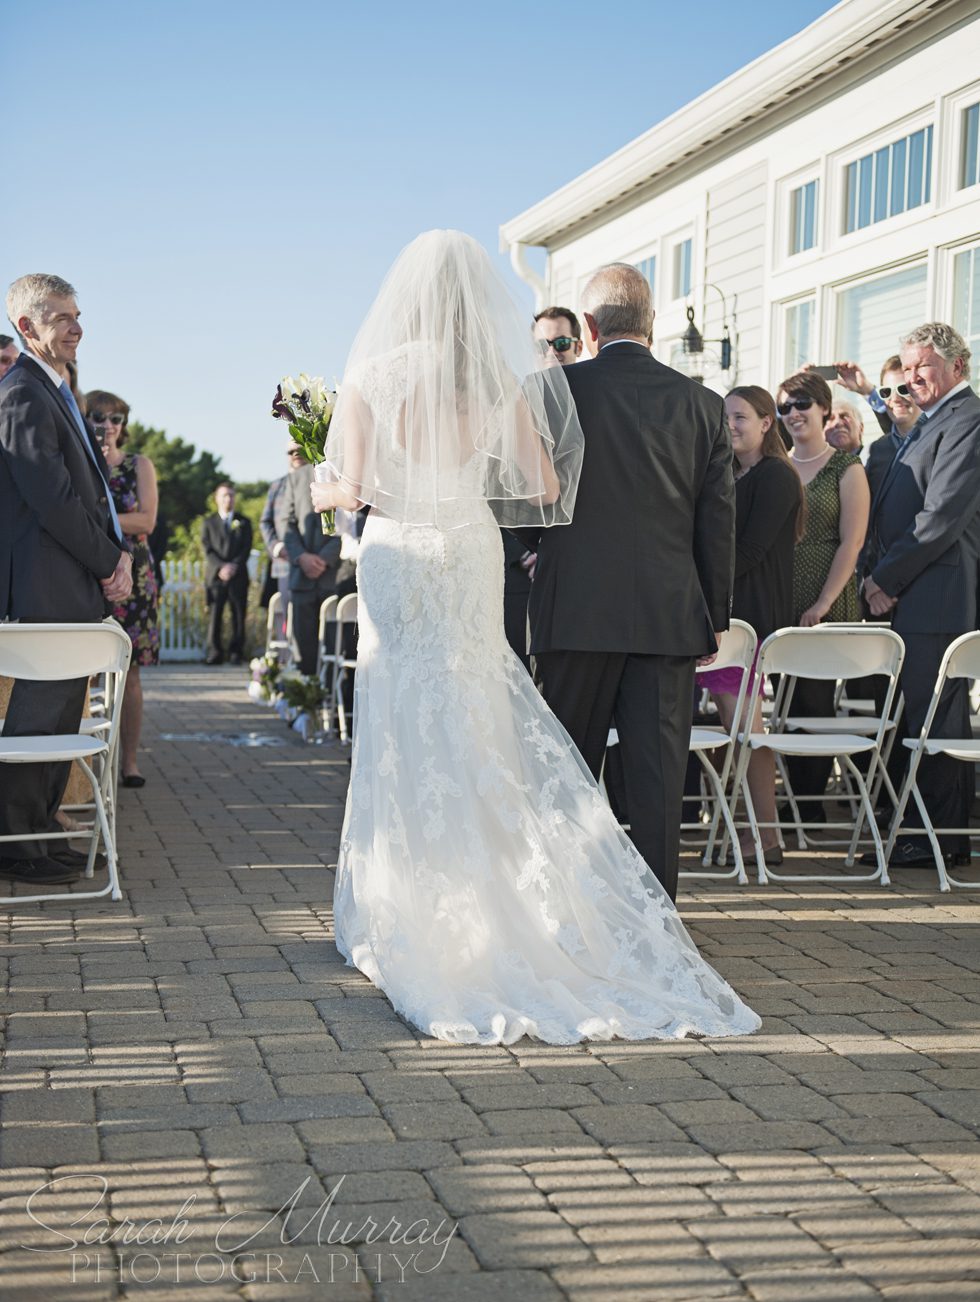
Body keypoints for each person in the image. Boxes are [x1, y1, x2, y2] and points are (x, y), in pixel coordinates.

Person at [309, 230, 758, 1046]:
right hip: (510, 563)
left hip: (429, 561)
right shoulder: (522, 385)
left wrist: (319, 478)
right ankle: (619, 917)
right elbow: (550, 487)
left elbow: (360, 486)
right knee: (497, 721)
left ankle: (420, 904)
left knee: (413, 715)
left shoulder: (387, 376)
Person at [523, 263, 734, 904]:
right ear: (651, 326)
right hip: (668, 616)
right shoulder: (702, 404)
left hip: (575, 610)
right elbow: (716, 517)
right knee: (657, 780)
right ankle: (657, 923)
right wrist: (713, 617)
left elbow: (517, 492)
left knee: (566, 769)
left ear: (588, 327)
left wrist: (538, 552)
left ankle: (565, 912)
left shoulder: (550, 392)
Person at [0, 273, 131, 885]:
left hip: (69, 585)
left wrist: (115, 553)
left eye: (78, 314)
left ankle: (41, 832)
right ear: (26, 327)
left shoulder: (53, 389)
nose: (76, 326)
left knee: (58, 720)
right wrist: (109, 560)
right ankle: (16, 845)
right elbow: (52, 502)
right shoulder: (22, 393)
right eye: (60, 317)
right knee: (36, 722)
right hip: (45, 587)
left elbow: (91, 492)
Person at [862, 322, 980, 868]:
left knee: (938, 722)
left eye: (922, 367)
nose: (911, 379)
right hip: (914, 593)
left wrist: (885, 578)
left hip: (935, 595)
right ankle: (933, 834)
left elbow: (940, 518)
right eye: (905, 368)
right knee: (921, 720)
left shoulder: (968, 419)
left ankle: (940, 839)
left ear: (958, 367)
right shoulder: (931, 420)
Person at [698, 386, 803, 865]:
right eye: (725, 417)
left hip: (750, 622)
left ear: (766, 423)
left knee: (745, 729)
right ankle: (741, 829)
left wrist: (693, 578)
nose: (731, 425)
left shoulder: (776, 476)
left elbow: (750, 552)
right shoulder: (729, 475)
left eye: (740, 417)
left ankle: (766, 835)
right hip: (726, 617)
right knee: (731, 729)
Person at [778, 370, 870, 820]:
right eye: (784, 408)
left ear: (822, 409)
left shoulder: (845, 468)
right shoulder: (777, 463)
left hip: (828, 599)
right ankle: (797, 807)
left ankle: (812, 809)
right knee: (787, 704)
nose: (792, 414)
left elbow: (852, 543)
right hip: (780, 599)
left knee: (816, 701)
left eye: (801, 405)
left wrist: (822, 604)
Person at [88, 389, 160, 788]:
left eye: (116, 419)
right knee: (86, 671)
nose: (108, 426)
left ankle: (128, 763)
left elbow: (147, 521)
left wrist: (97, 519)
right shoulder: (82, 463)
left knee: (129, 673)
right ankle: (86, 766)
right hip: (89, 574)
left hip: (137, 580)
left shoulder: (139, 465)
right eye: (99, 418)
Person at [281, 456, 342, 675]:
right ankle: (306, 697)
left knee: (335, 645)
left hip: (333, 576)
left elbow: (350, 521)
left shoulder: (342, 468)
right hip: (301, 575)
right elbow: (285, 524)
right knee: (303, 645)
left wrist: (325, 559)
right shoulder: (296, 478)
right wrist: (302, 557)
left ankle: (330, 696)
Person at [201, 483, 252, 665]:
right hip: (216, 576)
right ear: (217, 498)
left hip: (238, 576)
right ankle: (215, 653)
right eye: (224, 495)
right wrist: (221, 567)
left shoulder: (244, 522)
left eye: (231, 495)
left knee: (238, 615)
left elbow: (246, 548)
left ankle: (237, 652)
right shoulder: (209, 522)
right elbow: (207, 549)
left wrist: (233, 566)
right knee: (215, 615)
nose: (228, 499)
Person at [863, 355, 923, 499]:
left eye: (904, 389)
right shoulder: (874, 451)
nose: (895, 399)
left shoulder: (941, 441)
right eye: (886, 392)